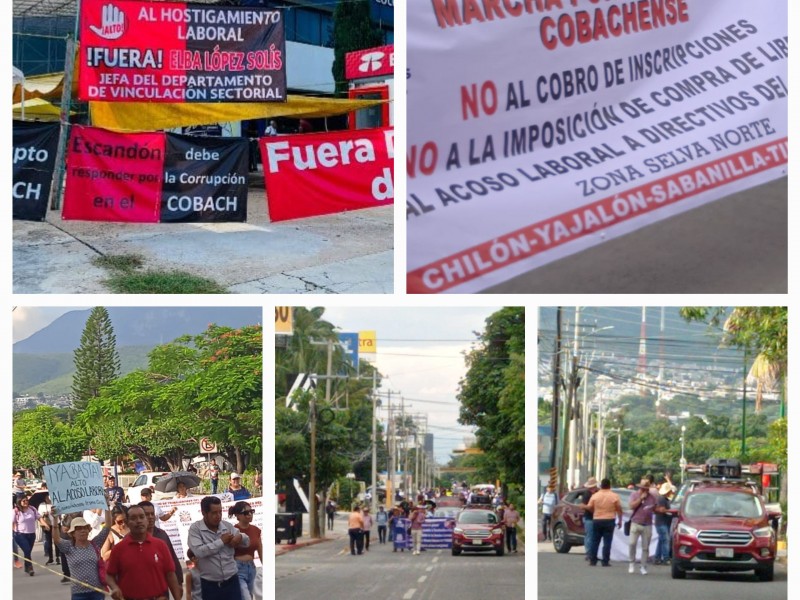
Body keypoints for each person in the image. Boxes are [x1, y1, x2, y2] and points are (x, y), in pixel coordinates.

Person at [107, 505, 182, 600]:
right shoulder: (118, 549)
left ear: (146, 520)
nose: (139, 521)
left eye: (142, 517)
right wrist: (114, 587)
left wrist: (177, 597)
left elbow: (170, 574)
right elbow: (109, 575)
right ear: (127, 522)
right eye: (133, 518)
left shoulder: (161, 545)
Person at [188, 495, 250, 600]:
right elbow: (199, 552)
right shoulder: (195, 529)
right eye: (214, 513)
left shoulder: (227, 526)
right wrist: (221, 541)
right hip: (209, 585)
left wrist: (240, 537)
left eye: (220, 512)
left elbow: (247, 542)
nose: (218, 516)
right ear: (204, 513)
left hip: (232, 581)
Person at [53, 506, 113, 600]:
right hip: (78, 593)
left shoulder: (95, 544)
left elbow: (108, 526)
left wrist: (106, 506)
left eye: (85, 528)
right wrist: (55, 518)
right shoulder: (69, 547)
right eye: (78, 528)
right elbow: (56, 539)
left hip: (97, 591)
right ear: (72, 533)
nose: (83, 531)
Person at [139, 501, 183, 585]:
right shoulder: (132, 538)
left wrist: (179, 582)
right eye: (147, 514)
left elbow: (172, 558)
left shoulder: (162, 535)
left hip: (161, 586)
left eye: (152, 514)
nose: (151, 517)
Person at [583, 478, 623, 567]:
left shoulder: (595, 496)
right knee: (607, 542)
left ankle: (593, 560)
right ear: (609, 486)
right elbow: (619, 509)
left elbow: (589, 507)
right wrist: (620, 520)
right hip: (609, 520)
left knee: (595, 540)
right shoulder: (614, 496)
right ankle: (605, 561)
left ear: (600, 486)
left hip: (597, 519)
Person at [230, 501, 262, 600]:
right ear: (238, 515)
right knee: (246, 597)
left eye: (251, 512)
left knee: (251, 596)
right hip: (237, 569)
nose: (249, 515)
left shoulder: (256, 530)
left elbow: (260, 549)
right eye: (246, 513)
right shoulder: (233, 531)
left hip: (252, 568)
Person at [12, 494, 49, 576]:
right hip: (20, 534)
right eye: (23, 501)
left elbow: (39, 518)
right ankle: (30, 567)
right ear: (19, 502)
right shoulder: (16, 511)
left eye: (27, 500)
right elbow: (11, 522)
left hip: (31, 534)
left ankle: (26, 566)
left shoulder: (32, 509)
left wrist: (45, 524)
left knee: (27, 552)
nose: (26, 502)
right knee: (27, 550)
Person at [628, 477, 657, 575]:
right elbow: (631, 506)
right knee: (632, 543)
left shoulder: (652, 497)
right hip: (635, 522)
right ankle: (631, 562)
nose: (645, 490)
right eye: (643, 488)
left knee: (645, 547)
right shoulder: (634, 495)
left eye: (646, 488)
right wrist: (641, 499)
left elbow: (654, 508)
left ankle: (643, 565)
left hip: (647, 524)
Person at [654, 482, 674, 565]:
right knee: (665, 540)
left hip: (662, 522)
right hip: (661, 522)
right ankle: (666, 558)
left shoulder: (664, 498)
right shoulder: (662, 499)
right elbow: (662, 510)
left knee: (661, 540)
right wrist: (671, 511)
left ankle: (657, 558)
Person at [38, 492, 61, 566]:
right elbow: (39, 515)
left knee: (57, 541)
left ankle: (57, 556)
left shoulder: (56, 503)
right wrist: (45, 514)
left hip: (56, 524)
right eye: (47, 497)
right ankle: (50, 557)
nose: (49, 498)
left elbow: (60, 512)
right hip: (47, 524)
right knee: (49, 542)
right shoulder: (42, 505)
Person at [580, 477, 599, 562]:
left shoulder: (598, 493)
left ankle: (594, 553)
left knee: (595, 536)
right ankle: (589, 553)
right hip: (589, 517)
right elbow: (583, 505)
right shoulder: (587, 494)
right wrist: (590, 508)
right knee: (589, 535)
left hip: (598, 517)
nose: (592, 489)